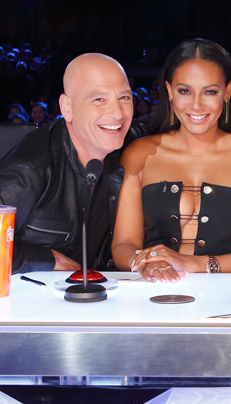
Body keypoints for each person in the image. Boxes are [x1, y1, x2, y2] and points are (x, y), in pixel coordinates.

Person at [112, 38, 231, 282]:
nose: (196, 105)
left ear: (228, 91)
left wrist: (193, 264)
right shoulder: (139, 154)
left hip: (227, 300)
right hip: (151, 294)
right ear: (170, 91)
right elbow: (123, 244)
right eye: (184, 91)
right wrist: (143, 263)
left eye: (210, 92)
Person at [0, 53, 134, 273]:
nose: (117, 113)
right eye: (99, 99)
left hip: (92, 297)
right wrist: (47, 259)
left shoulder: (128, 142)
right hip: (26, 300)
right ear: (67, 108)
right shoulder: (30, 167)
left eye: (125, 98)